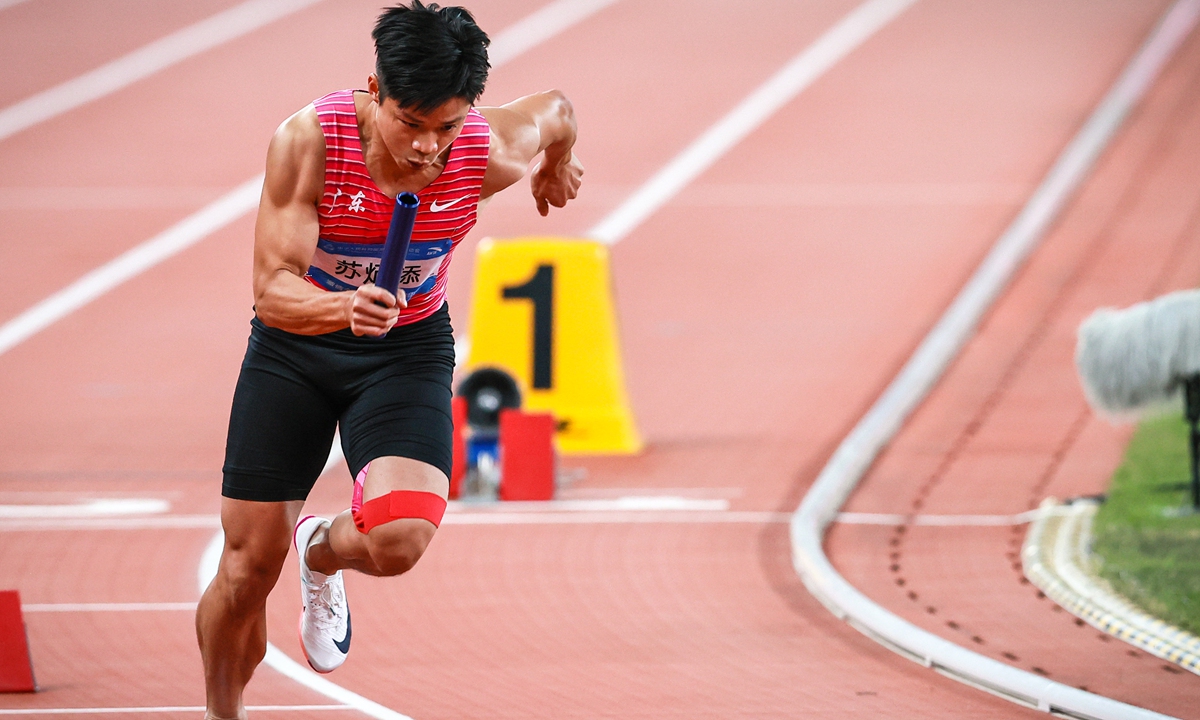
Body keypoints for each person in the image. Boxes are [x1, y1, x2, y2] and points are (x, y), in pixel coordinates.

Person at [194, 2, 582, 717]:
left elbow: (557, 110)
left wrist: (555, 165)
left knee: (400, 538)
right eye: (410, 122)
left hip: (406, 349)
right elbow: (272, 291)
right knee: (247, 572)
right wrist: (343, 307)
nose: (428, 147)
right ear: (375, 90)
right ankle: (223, 711)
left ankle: (320, 551)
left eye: (447, 126)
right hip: (296, 350)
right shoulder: (309, 142)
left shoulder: (487, 151)